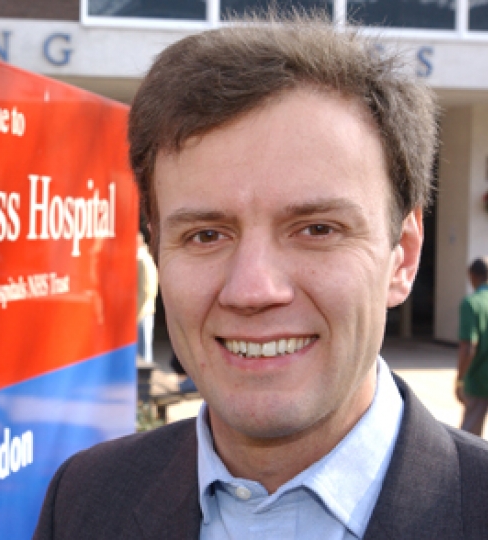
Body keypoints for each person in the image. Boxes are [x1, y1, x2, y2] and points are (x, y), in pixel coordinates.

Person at [33, 12, 488, 540]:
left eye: (317, 229)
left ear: (402, 257)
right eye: (206, 234)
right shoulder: (83, 501)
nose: (252, 290)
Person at [457, 257, 488, 436]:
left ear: (472, 276)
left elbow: (469, 348)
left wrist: (460, 379)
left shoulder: (471, 303)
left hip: (479, 382)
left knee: (470, 437)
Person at [137, 232, 158, 363]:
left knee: (144, 350)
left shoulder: (142, 260)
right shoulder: (143, 259)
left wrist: (137, 313)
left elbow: (146, 290)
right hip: (143, 310)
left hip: (143, 311)